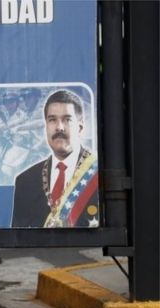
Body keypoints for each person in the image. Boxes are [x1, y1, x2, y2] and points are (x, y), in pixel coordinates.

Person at [11, 90, 99, 228]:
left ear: (80, 127)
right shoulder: (25, 181)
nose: (59, 127)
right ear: (46, 127)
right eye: (52, 120)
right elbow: (17, 242)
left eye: (67, 120)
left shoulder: (98, 174)